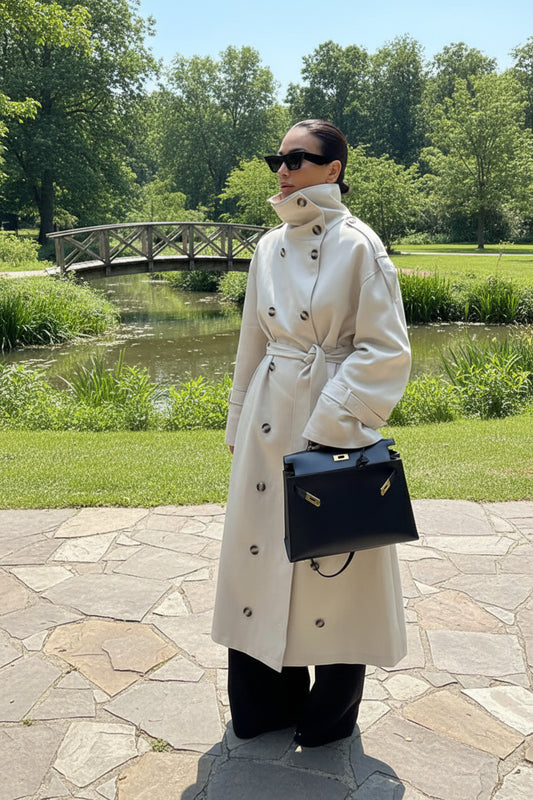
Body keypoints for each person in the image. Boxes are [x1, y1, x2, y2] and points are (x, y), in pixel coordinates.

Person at [212, 119, 411, 748]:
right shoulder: (268, 247)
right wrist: (240, 418)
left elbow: (386, 350)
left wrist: (331, 423)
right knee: (260, 556)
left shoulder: (360, 247)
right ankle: (264, 703)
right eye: (280, 157)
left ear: (334, 170)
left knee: (333, 564)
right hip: (270, 416)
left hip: (330, 424)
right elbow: (252, 339)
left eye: (300, 158)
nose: (284, 168)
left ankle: (328, 715)